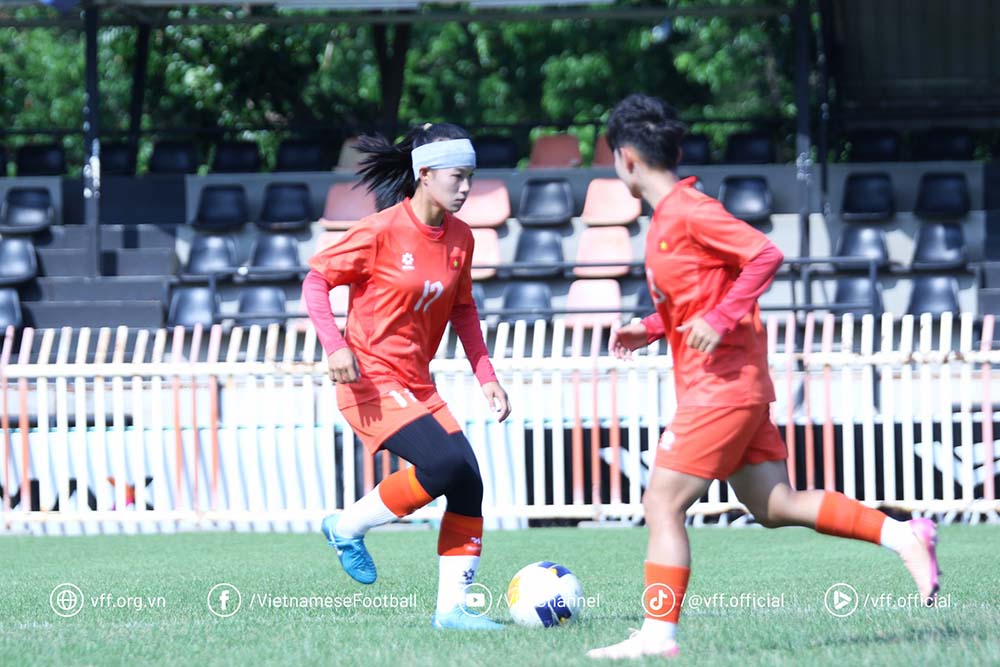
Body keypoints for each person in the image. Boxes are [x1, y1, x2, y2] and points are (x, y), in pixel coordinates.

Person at [587, 94, 940, 659]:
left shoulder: (687, 210)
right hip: (733, 386)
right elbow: (700, 298)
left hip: (719, 388)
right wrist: (652, 327)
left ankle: (658, 636)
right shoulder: (666, 221)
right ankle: (905, 534)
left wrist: (721, 319)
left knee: (662, 503)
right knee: (774, 506)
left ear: (624, 158)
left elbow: (764, 255)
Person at [302, 122, 512, 630]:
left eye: (471, 177)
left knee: (468, 483)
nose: (466, 188)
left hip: (418, 385)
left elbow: (463, 310)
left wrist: (487, 374)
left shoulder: (462, 237)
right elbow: (316, 281)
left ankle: (452, 612)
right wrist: (334, 346)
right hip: (369, 380)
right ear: (424, 173)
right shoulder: (379, 231)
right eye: (457, 176)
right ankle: (347, 527)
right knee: (443, 465)